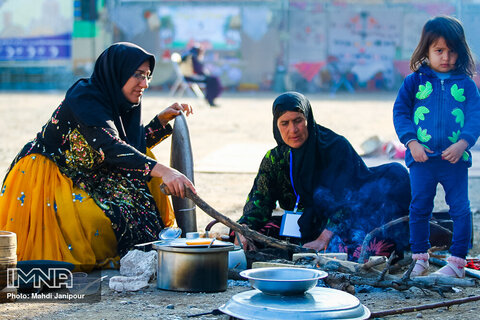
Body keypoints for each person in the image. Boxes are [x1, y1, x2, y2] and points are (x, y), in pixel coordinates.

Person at [0, 42, 196, 271]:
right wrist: (167, 170)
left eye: (147, 76)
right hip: (54, 173)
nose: (144, 84)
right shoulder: (85, 96)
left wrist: (159, 122)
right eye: (138, 75)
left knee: (139, 199)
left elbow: (128, 147)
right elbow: (110, 146)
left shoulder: (121, 101)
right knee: (95, 218)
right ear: (118, 72)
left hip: (91, 170)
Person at [236, 91, 411, 262]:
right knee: (249, 237)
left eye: (298, 121)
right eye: (285, 123)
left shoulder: (335, 148)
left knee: (362, 249)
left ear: (308, 119)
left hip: (342, 222)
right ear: (276, 125)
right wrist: (243, 230)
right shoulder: (275, 158)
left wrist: (324, 237)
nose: (293, 130)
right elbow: (259, 201)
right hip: (302, 224)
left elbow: (350, 201)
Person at [393, 16, 480, 278]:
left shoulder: (466, 85)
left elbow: (476, 116)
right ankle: (420, 258)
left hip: (454, 160)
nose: (446, 57)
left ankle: (456, 263)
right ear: (426, 50)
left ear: (460, 51)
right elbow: (401, 113)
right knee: (419, 207)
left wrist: (463, 143)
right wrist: (412, 142)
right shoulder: (414, 82)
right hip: (421, 160)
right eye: (439, 50)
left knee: (460, 208)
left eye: (452, 50)